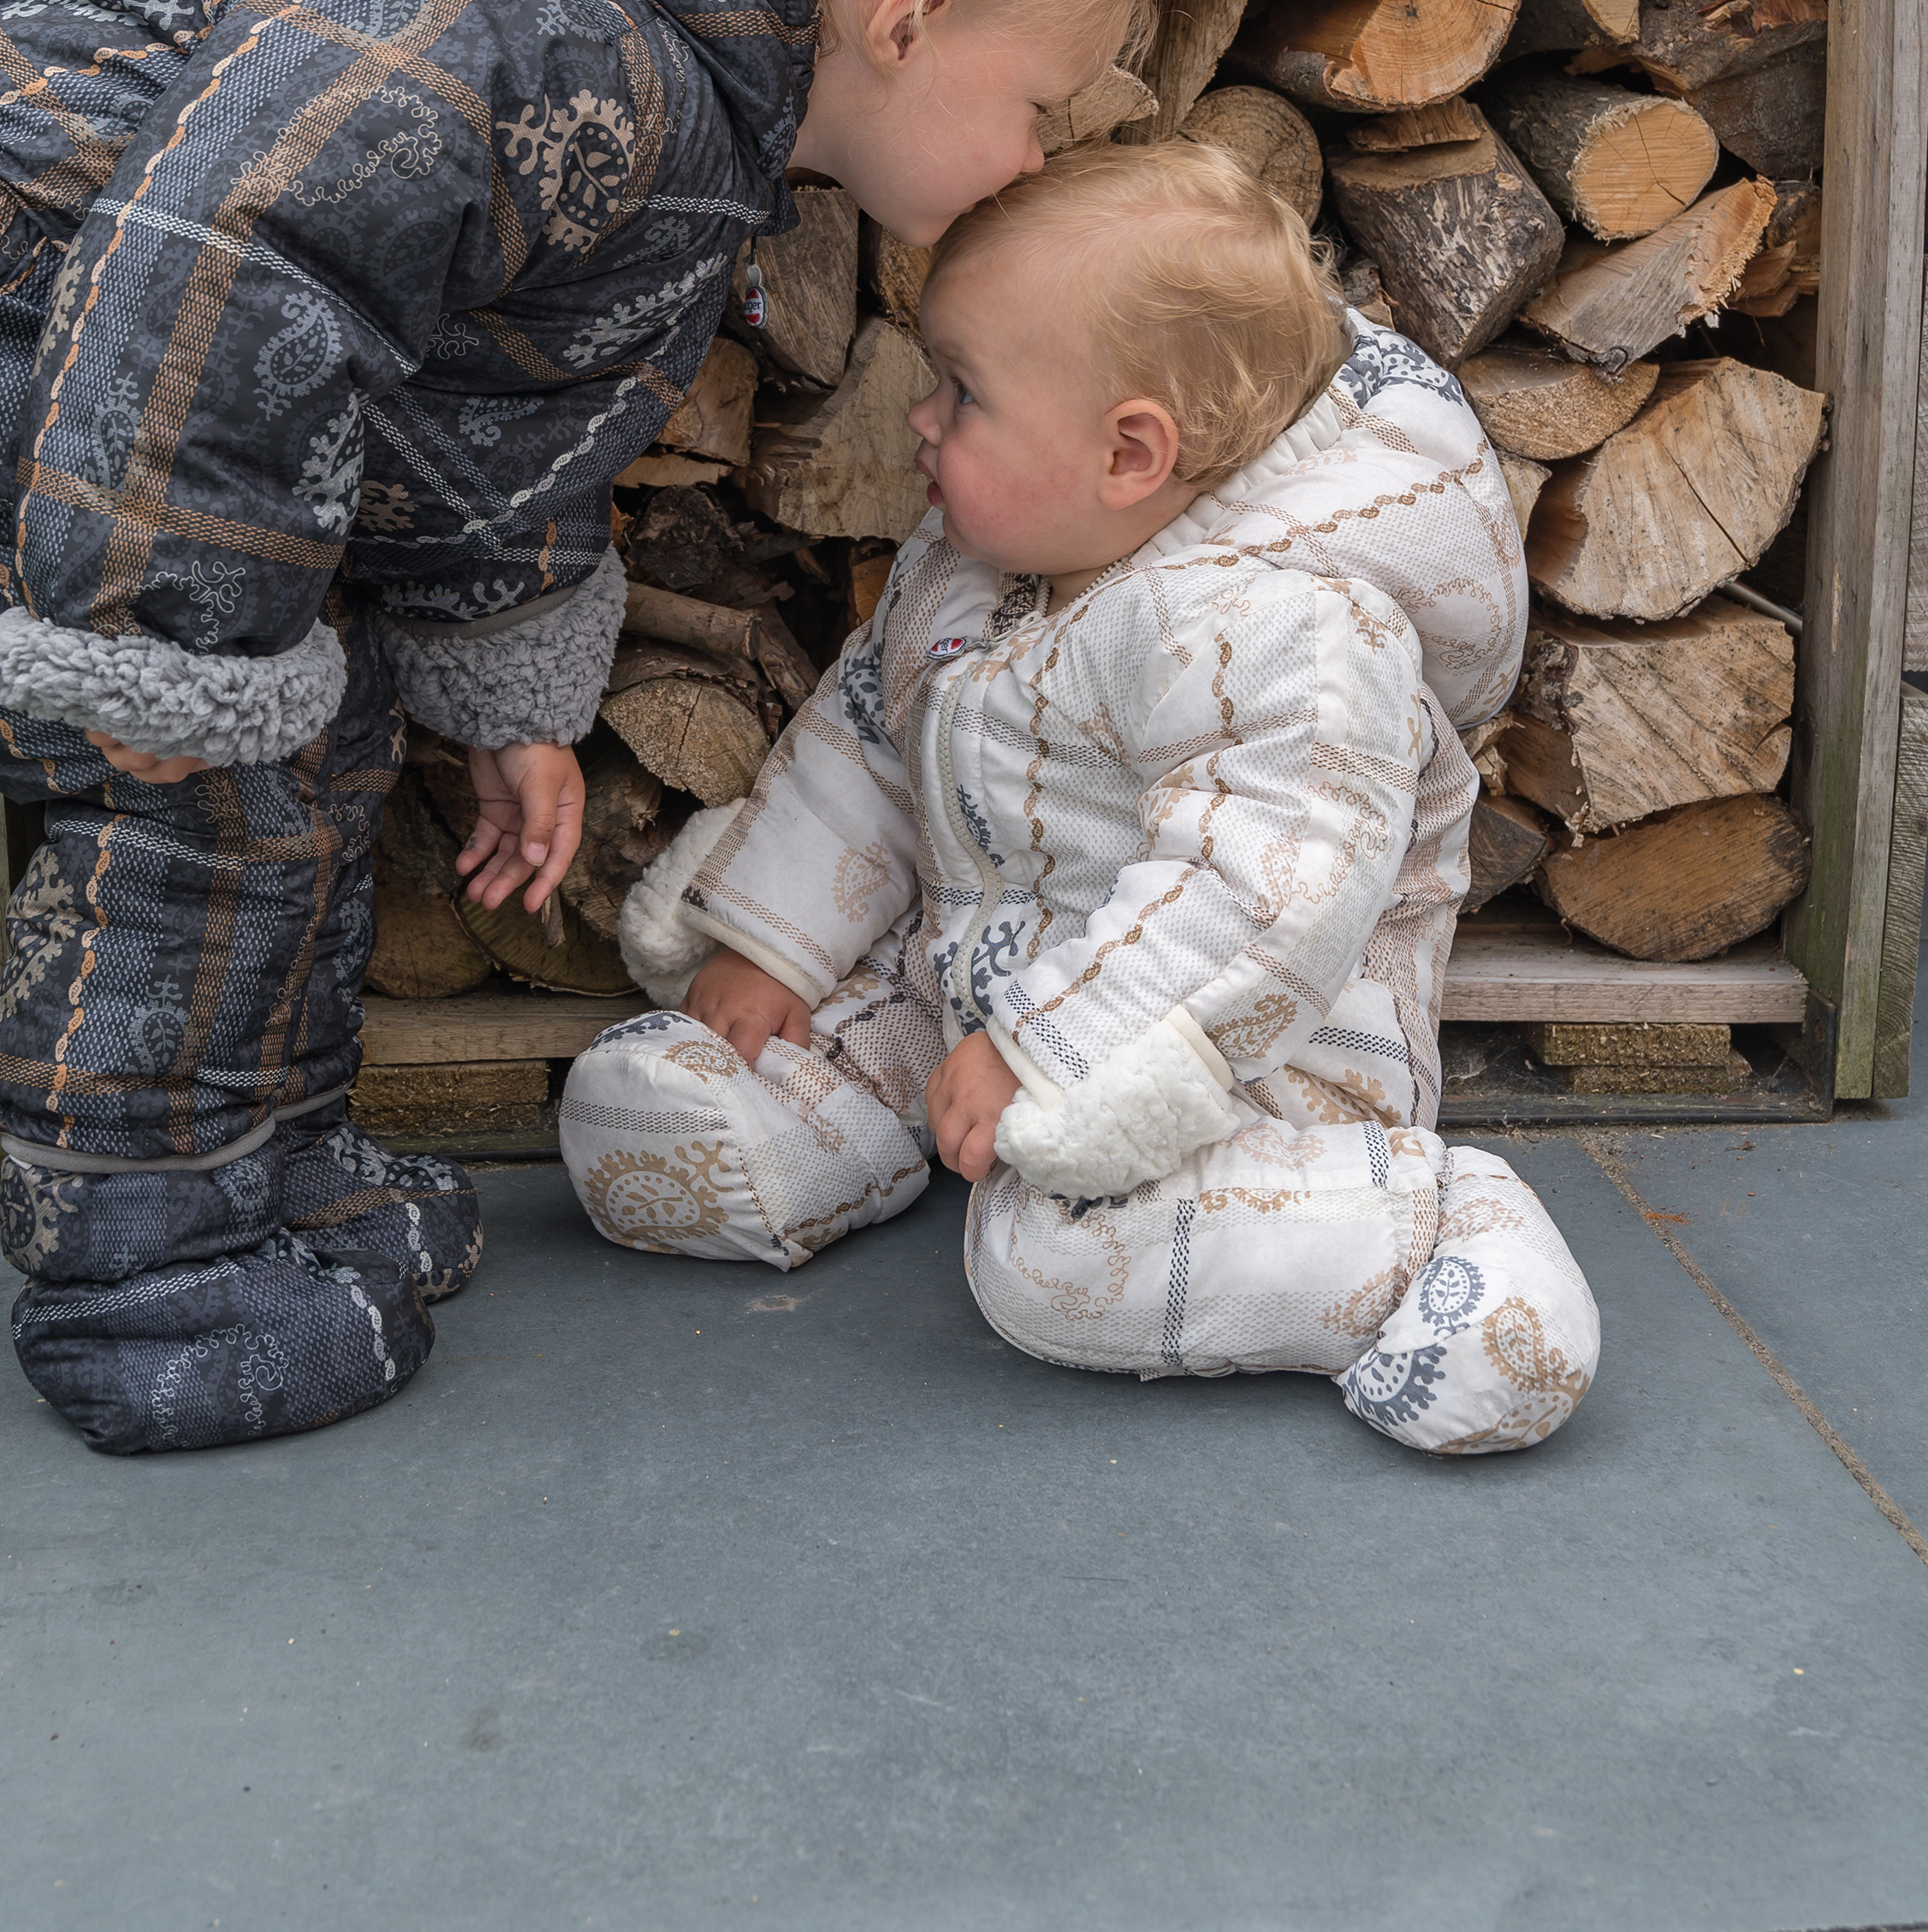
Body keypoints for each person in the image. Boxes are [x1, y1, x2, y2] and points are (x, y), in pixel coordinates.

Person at [0, 0, 1149, 1453]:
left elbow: (473, 396)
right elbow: (238, 241)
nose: (1034, 161)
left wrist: (501, 676)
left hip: (86, 380)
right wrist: (165, 643)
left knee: (312, 735)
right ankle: (145, 1280)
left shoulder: (672, 107)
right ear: (907, 19)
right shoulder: (572, 36)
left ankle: (261, 1175)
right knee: (208, 788)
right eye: (1039, 105)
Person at [562, 138, 1600, 1455]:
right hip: (977, 997)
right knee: (645, 1109)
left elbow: (1265, 895)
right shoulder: (979, 563)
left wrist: (1059, 1056)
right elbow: (869, 740)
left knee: (1052, 1268)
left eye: (962, 392)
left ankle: (1426, 1227)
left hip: (1229, 1066)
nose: (920, 421)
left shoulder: (1281, 632)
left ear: (1130, 453)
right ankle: (808, 1131)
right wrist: (775, 940)